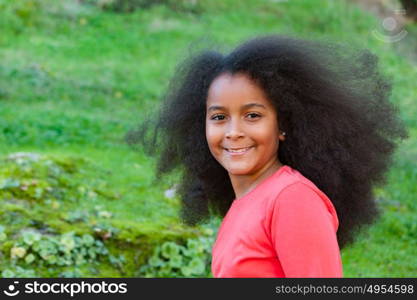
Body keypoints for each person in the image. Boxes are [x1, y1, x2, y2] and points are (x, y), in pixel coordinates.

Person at [128, 35, 407, 277]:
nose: (233, 132)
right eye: (219, 117)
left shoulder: (293, 199)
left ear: (283, 125)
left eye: (252, 115)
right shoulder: (246, 201)